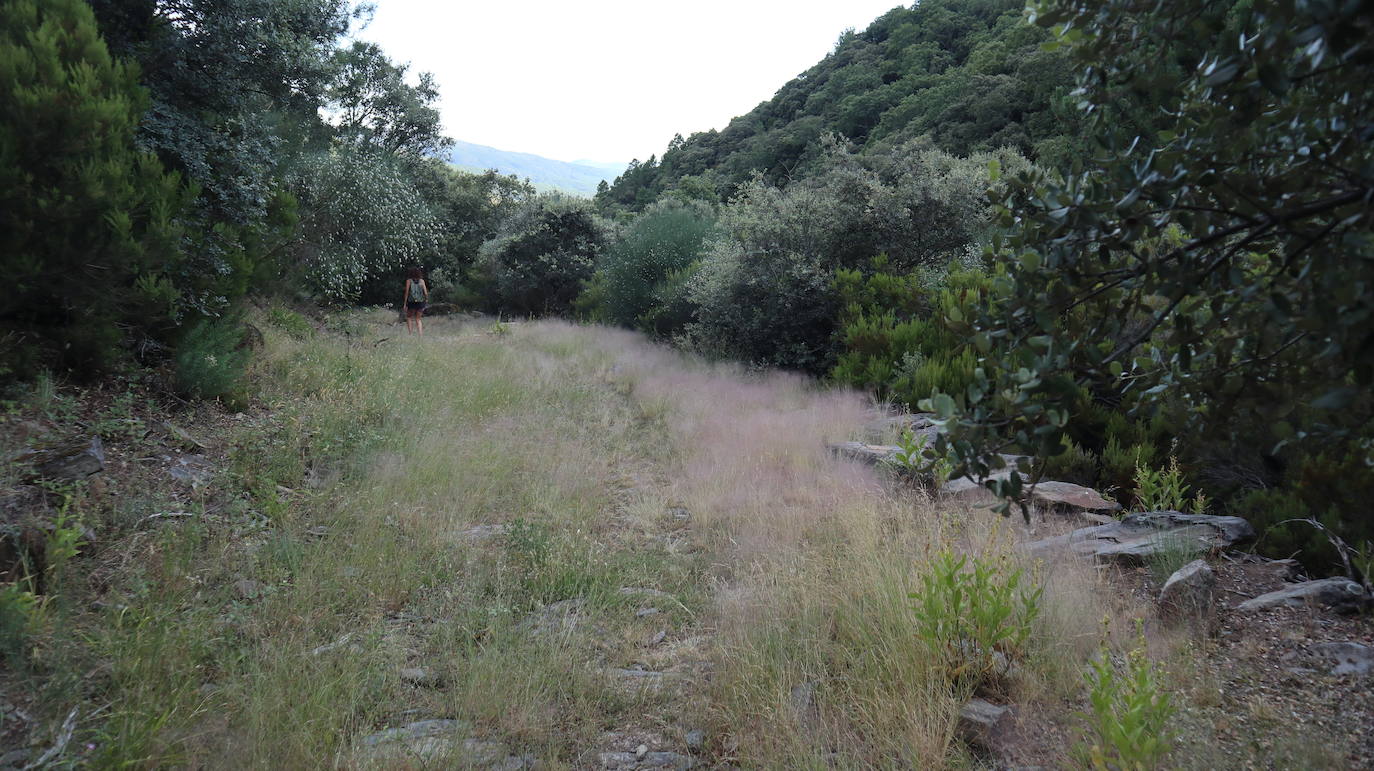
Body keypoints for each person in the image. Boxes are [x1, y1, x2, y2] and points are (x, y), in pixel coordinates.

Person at [402, 267, 429, 335]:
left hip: (411, 301)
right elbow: (425, 293)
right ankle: (420, 335)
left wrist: (405, 303)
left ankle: (410, 333)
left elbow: (407, 292)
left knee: (409, 317)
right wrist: (426, 300)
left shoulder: (409, 281)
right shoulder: (422, 281)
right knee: (418, 319)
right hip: (420, 301)